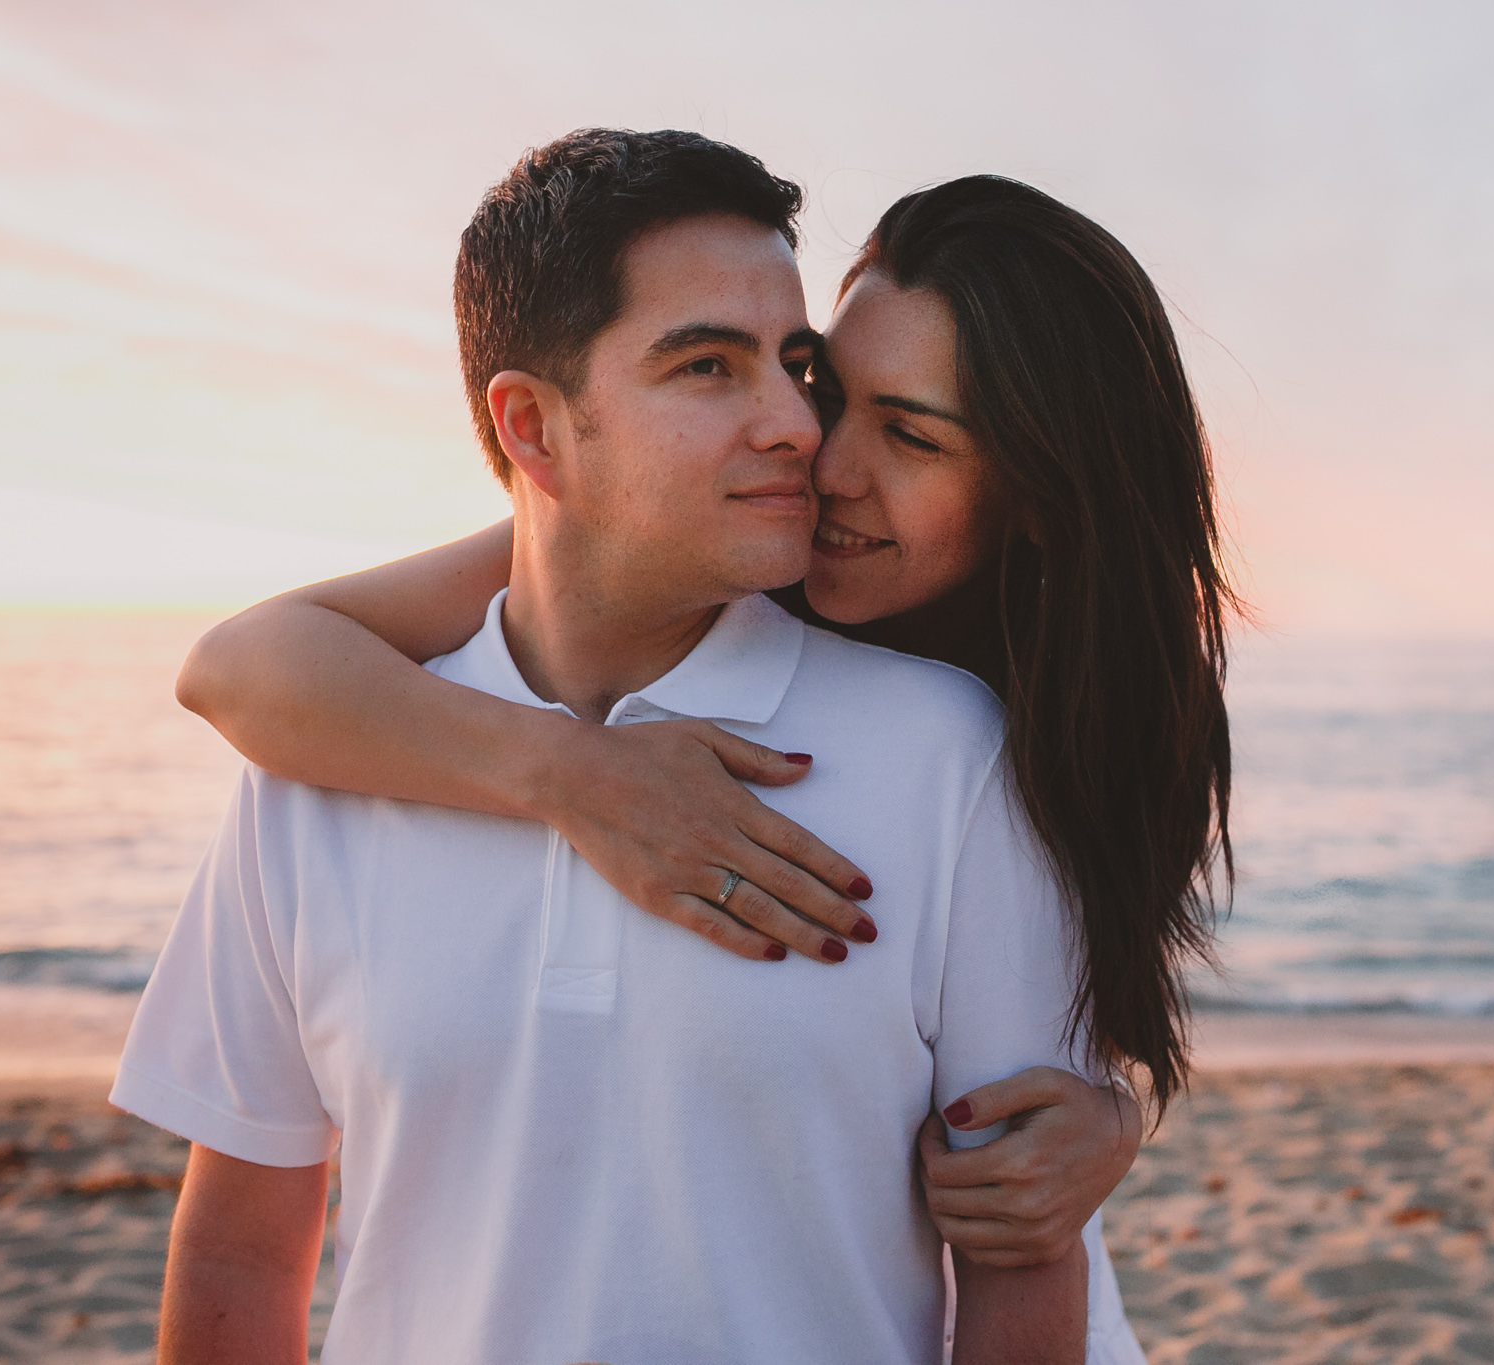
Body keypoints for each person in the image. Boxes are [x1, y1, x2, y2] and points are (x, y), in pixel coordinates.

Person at [118, 129, 1126, 1365]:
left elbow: (1023, 1261)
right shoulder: (325, 762)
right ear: (534, 431)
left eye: (793, 364)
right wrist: (566, 771)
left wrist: (1114, 1108)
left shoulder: (952, 750)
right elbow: (238, 1248)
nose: (802, 430)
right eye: (708, 366)